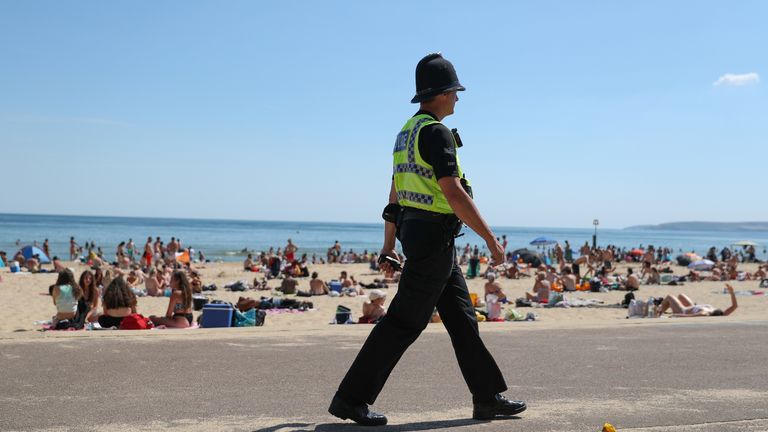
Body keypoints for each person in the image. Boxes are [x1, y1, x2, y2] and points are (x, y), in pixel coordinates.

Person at [329, 53, 525, 426]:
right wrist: (491, 240)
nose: (457, 98)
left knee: (463, 319)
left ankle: (487, 398)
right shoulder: (436, 133)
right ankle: (350, 399)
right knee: (404, 322)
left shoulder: (406, 133)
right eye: (455, 91)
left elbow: (394, 196)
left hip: (422, 237)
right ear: (441, 93)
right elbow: (453, 193)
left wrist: (389, 246)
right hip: (433, 238)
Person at [656, 284, 738, 317]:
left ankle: (658, 314)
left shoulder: (705, 313)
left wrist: (676, 315)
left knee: (669, 297)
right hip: (693, 307)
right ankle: (660, 309)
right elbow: (734, 306)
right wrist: (732, 293)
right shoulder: (720, 314)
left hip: (683, 311)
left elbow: (689, 317)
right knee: (681, 295)